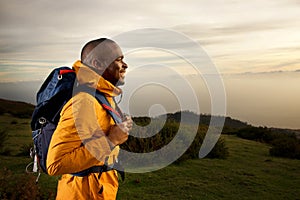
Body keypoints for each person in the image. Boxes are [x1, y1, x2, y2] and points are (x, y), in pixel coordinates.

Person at [46, 38, 132, 200]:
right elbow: (55, 164)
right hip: (81, 193)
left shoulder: (102, 96)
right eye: (119, 60)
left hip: (97, 189)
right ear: (97, 64)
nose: (125, 65)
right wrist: (111, 141)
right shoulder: (83, 102)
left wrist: (120, 128)